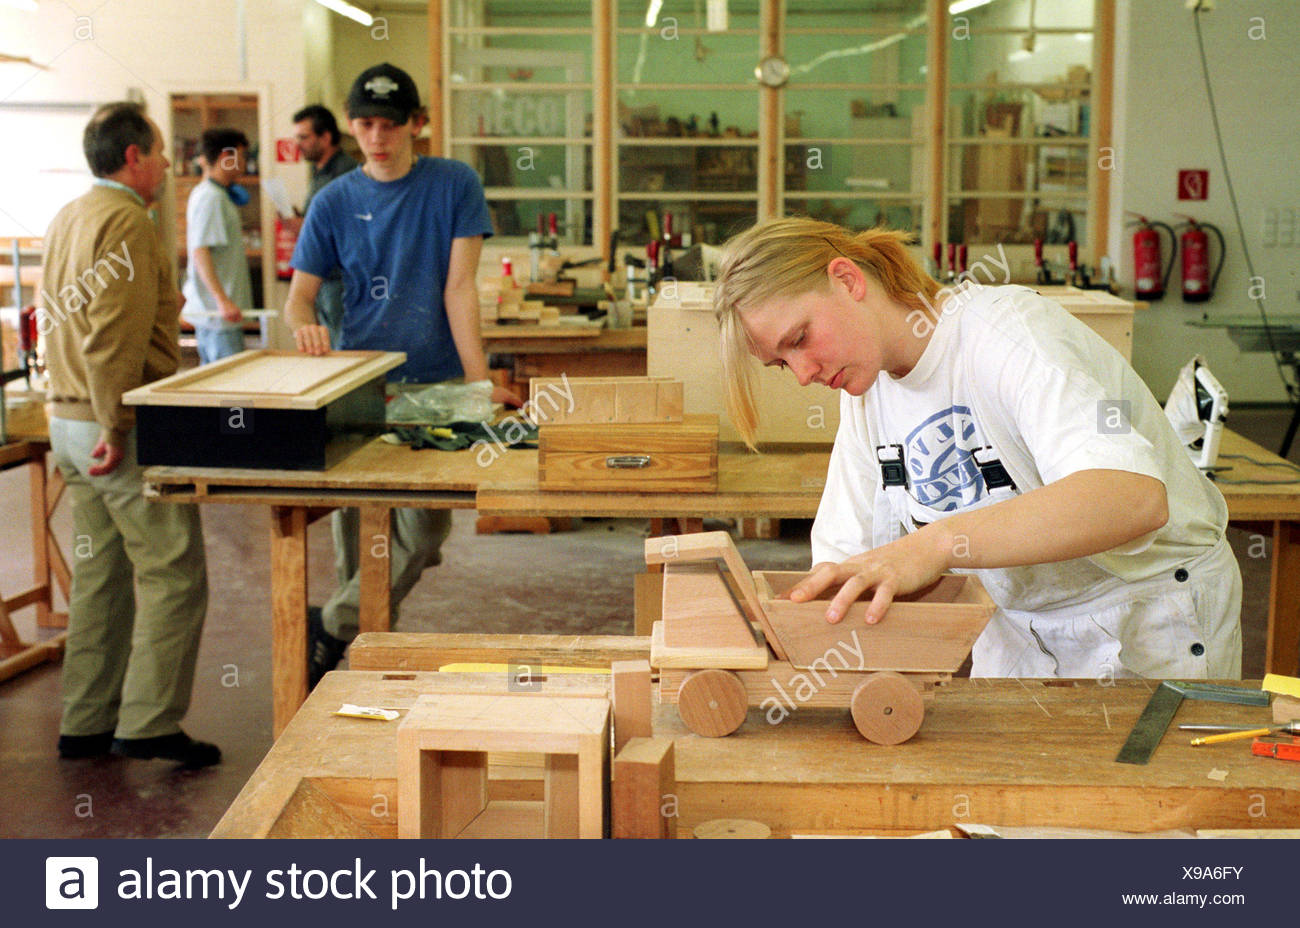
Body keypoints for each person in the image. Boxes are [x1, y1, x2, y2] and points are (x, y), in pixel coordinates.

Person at [713, 217, 1242, 679]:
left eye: (799, 338)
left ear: (847, 279)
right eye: (781, 364)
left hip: (1148, 619)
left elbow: (1131, 499)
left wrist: (933, 546)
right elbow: (845, 562)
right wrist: (793, 629)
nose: (803, 374)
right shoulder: (867, 390)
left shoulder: (1004, 333)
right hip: (1020, 633)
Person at [286, 62, 522, 686]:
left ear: (418, 124)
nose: (378, 136)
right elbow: (298, 295)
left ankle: (332, 628)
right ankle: (351, 673)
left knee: (421, 536)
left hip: (437, 387)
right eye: (365, 124)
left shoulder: (453, 184)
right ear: (352, 128)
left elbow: (460, 289)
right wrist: (304, 322)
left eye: (391, 124)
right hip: (359, 388)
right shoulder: (333, 200)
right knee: (356, 542)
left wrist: (478, 385)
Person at [41, 102, 218, 767]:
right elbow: (111, 332)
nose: (170, 163)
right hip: (107, 427)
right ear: (135, 157)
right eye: (162, 152)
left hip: (64, 419)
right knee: (174, 571)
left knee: (101, 575)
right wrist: (116, 422)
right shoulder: (126, 223)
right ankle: (148, 724)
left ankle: (85, 720)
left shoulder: (70, 215)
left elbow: (59, 317)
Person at [181, 127, 251, 364]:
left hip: (220, 314)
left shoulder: (217, 195)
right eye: (241, 157)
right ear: (226, 158)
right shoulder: (211, 197)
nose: (244, 163)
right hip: (218, 315)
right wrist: (222, 300)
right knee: (228, 385)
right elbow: (201, 251)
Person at [290, 104, 358, 347]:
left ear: (325, 137)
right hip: (319, 278)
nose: (298, 143)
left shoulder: (346, 175)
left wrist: (306, 228)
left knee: (342, 345)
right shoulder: (318, 173)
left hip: (340, 281)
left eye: (304, 137)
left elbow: (350, 230)